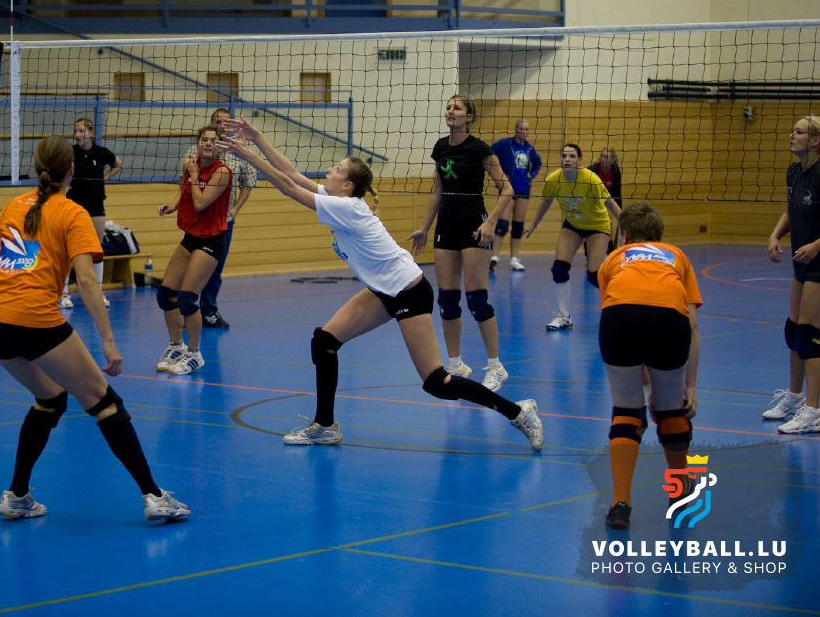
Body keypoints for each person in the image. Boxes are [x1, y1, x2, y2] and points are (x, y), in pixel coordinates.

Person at [217, 118, 543, 451]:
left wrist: (248, 155)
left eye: (336, 169)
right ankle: (325, 426)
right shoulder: (337, 199)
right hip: (383, 290)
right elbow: (291, 173)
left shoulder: (347, 207)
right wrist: (257, 137)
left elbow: (287, 185)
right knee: (324, 342)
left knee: (437, 382)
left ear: (347, 185)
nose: (329, 170)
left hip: (409, 292)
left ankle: (519, 412)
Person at [0, 135, 189, 522]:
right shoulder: (73, 212)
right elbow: (87, 280)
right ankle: (155, 497)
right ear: (71, 170)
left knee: (50, 398)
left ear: (36, 168)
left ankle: (17, 496)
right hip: (33, 318)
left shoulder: (13, 205)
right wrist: (108, 341)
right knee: (106, 403)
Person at [598, 202, 701, 529]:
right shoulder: (677, 256)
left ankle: (620, 504)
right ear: (659, 236)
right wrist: (688, 387)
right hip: (668, 321)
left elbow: (615, 310)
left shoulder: (613, 259)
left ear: (625, 235)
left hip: (619, 318)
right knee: (671, 410)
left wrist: (645, 383)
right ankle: (680, 492)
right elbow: (692, 327)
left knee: (626, 410)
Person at [408, 95, 517, 392]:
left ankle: (495, 366)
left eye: (457, 108)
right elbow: (438, 189)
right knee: (447, 300)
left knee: (477, 298)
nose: (450, 111)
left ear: (469, 117)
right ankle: (456, 365)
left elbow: (507, 188)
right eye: (448, 107)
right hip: (447, 226)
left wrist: (490, 222)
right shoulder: (440, 147)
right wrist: (424, 228)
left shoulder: (480, 149)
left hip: (474, 226)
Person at [764, 116, 820, 434]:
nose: (792, 135)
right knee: (793, 331)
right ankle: (794, 396)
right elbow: (790, 210)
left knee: (807, 335)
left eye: (799, 132)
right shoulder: (793, 171)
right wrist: (775, 235)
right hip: (801, 262)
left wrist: (816, 246)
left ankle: (814, 412)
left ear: (815, 141)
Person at [155, 126, 231, 376]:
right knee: (166, 294)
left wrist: (196, 173)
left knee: (187, 299)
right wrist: (173, 206)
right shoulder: (190, 165)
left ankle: (195, 354)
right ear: (198, 144)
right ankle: (176, 346)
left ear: (220, 147)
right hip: (191, 237)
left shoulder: (222, 172)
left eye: (213, 141)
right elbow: (185, 189)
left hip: (211, 240)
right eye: (204, 140)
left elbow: (200, 202)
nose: (208, 143)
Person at [523, 143, 622, 331]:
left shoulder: (591, 179)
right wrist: (534, 224)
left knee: (594, 276)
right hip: (573, 225)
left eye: (572, 156)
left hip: (597, 226)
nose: (567, 159)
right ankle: (564, 316)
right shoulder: (554, 179)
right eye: (564, 156)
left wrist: (625, 224)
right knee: (559, 269)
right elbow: (546, 201)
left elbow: (611, 204)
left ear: (579, 160)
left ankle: (618, 305)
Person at [183, 108, 256, 329]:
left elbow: (248, 183)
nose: (223, 126)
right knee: (191, 268)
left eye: (227, 122)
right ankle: (188, 310)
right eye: (218, 122)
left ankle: (208, 311)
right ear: (211, 124)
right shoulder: (195, 151)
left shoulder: (239, 151)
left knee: (215, 270)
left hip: (223, 221)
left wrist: (236, 209)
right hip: (197, 221)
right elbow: (185, 181)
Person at [62, 117, 121, 310]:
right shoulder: (70, 152)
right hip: (74, 204)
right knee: (67, 248)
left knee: (96, 248)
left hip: (96, 204)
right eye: (75, 131)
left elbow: (118, 164)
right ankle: (63, 293)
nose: (77, 135)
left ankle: (98, 292)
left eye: (81, 131)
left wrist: (104, 179)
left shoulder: (100, 152)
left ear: (91, 133)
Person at [489, 119, 542, 272]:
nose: (524, 132)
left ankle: (514, 259)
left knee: (518, 226)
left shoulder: (529, 149)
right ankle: (494, 257)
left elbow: (537, 164)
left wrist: (532, 175)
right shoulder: (505, 144)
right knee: (502, 224)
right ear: (516, 129)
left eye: (526, 129)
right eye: (521, 129)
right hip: (508, 189)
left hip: (523, 189)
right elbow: (490, 153)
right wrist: (499, 173)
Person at [588, 146, 623, 250]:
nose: (603, 159)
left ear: (612, 160)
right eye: (602, 156)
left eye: (606, 157)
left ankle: (609, 246)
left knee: (608, 221)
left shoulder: (615, 171)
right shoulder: (592, 170)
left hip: (607, 200)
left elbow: (617, 193)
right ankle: (591, 247)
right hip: (592, 200)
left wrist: (620, 214)